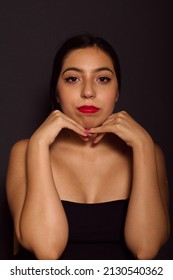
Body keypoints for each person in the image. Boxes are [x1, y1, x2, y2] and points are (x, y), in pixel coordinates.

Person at [6, 34, 170, 260]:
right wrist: (39, 145)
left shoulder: (149, 152)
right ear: (56, 91)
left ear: (117, 92)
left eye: (102, 79)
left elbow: (146, 250)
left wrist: (143, 145)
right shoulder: (25, 151)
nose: (88, 92)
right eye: (73, 79)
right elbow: (47, 251)